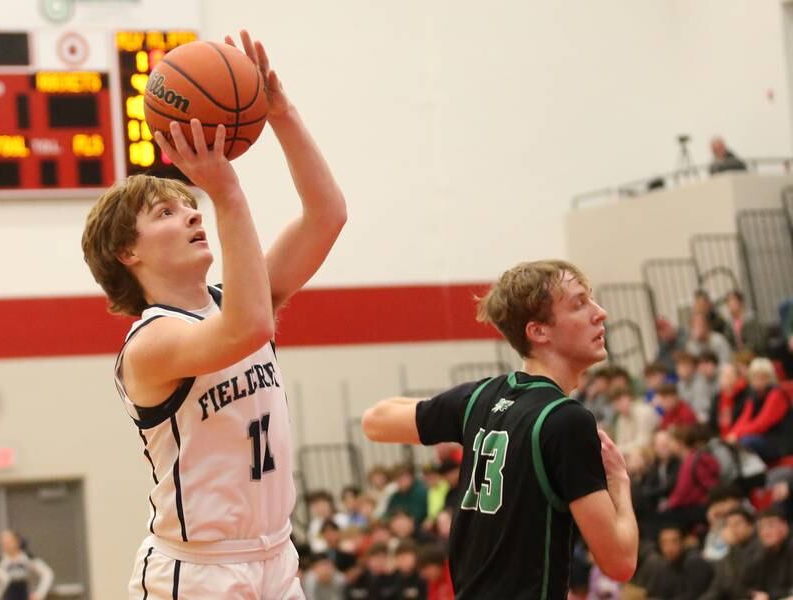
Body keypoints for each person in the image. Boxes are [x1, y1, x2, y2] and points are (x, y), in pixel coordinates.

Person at [81, 30, 346, 599]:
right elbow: (252, 329)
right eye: (166, 212)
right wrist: (226, 195)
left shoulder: (237, 298)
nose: (191, 215)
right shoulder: (150, 345)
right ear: (128, 253)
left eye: (191, 205)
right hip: (198, 572)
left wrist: (282, 112)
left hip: (276, 558)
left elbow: (327, 216)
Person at [362, 260, 638, 599]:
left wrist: (458, 406)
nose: (601, 313)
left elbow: (375, 420)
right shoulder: (566, 420)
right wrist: (620, 484)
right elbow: (620, 562)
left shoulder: (480, 398)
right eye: (580, 304)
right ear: (538, 332)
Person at [0, 530, 54, 600]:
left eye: (9, 541)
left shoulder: (28, 558)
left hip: (24, 595)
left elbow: (47, 573)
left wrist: (39, 594)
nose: (6, 545)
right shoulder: (0, 561)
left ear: (17, 541)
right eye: (3, 543)